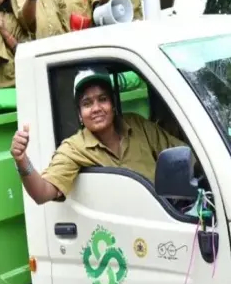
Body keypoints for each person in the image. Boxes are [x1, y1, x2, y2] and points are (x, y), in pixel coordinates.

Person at [10, 70, 187, 204]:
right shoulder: (74, 148)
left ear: (113, 105)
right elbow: (42, 193)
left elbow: (185, 158)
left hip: (164, 220)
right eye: (87, 103)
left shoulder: (137, 125)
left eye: (102, 99)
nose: (96, 108)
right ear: (79, 114)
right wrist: (21, 160)